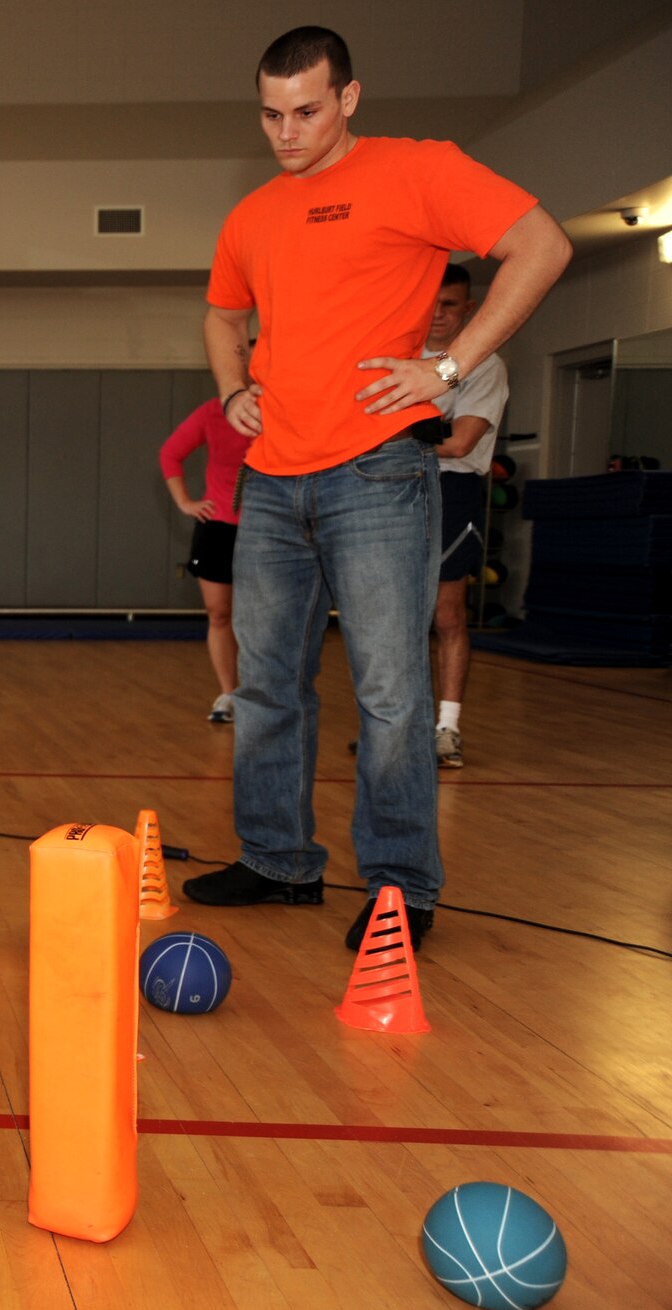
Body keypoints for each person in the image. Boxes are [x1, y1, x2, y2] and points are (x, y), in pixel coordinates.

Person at [183, 26, 570, 950]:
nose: (286, 131)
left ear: (349, 99)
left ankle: (402, 884)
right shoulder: (253, 213)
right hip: (274, 480)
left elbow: (542, 247)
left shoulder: (416, 170)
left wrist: (447, 367)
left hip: (378, 471)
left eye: (306, 111)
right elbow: (219, 310)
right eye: (271, 114)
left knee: (391, 688)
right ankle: (277, 860)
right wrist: (235, 387)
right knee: (270, 684)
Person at [423, 263, 509, 770]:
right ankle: (403, 729)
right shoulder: (402, 357)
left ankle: (447, 727)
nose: (437, 315)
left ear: (468, 308)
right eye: (430, 303)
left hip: (453, 490)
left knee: (446, 614)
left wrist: (388, 436)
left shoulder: (484, 365)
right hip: (395, 490)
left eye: (449, 305)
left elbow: (459, 441)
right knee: (398, 622)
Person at [160, 395, 254, 723]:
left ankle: (263, 696)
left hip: (268, 529)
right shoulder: (214, 412)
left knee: (264, 618)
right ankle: (229, 694)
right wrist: (185, 502)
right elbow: (170, 454)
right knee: (219, 613)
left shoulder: (285, 409)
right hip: (218, 529)